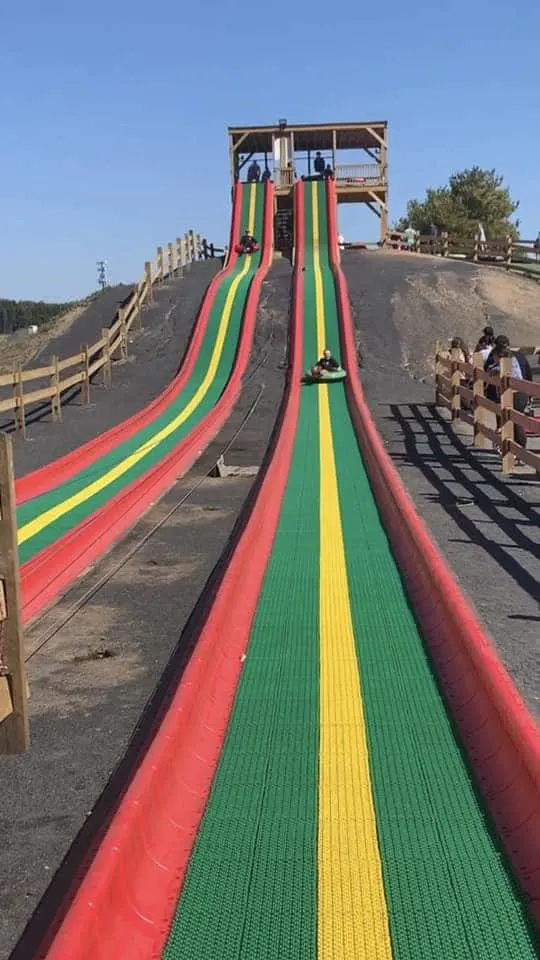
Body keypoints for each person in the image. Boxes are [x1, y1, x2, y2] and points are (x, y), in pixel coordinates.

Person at [484, 335, 531, 450]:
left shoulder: (510, 360)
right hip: (513, 394)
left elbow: (512, 373)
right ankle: (513, 448)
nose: (493, 358)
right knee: (511, 420)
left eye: (494, 357)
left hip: (517, 395)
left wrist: (494, 370)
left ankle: (519, 449)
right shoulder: (516, 356)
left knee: (515, 421)